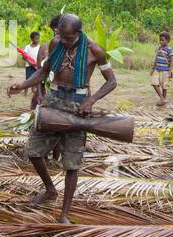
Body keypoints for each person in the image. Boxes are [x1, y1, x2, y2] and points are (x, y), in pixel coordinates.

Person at [8, 14, 117, 224]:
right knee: (33, 150)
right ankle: (50, 190)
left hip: (78, 106)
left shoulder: (95, 51)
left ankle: (64, 213)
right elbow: (44, 70)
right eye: (61, 35)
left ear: (78, 33)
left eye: (68, 38)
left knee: (71, 163)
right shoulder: (56, 43)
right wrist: (23, 85)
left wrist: (91, 100)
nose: (63, 41)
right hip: (53, 100)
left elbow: (111, 81)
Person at [150, 31, 173, 107]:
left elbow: (172, 61)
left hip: (165, 70)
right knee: (154, 83)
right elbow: (156, 59)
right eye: (160, 40)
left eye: (163, 40)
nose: (161, 41)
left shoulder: (169, 50)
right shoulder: (158, 48)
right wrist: (152, 68)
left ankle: (163, 101)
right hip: (157, 69)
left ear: (167, 40)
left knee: (164, 86)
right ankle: (162, 98)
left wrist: (170, 71)